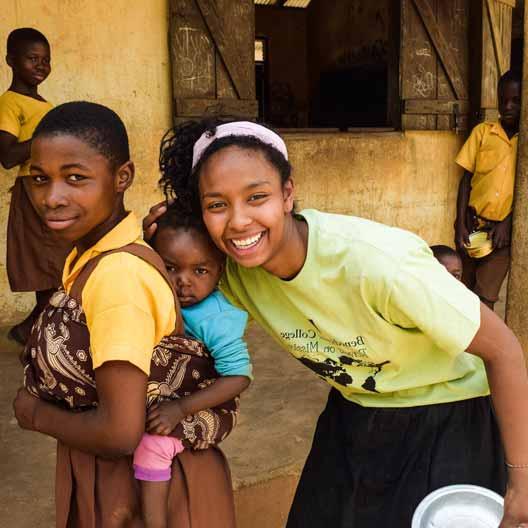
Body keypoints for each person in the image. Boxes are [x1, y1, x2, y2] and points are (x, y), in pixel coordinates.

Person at [144, 118, 528, 527]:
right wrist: (155, 242)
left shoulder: (377, 264)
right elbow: (168, 269)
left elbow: (503, 349)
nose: (238, 221)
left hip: (449, 415)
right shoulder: (235, 269)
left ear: (287, 192)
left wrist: (521, 480)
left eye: (257, 196)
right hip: (354, 412)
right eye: (217, 204)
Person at [13, 102, 236, 528]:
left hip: (142, 491)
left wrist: (34, 413)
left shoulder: (118, 277)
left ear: (122, 178)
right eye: (40, 179)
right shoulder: (93, 254)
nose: (52, 197)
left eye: (75, 178)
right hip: (119, 479)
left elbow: (120, 431)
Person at [135, 205, 251, 528]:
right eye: (171, 267)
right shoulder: (155, 292)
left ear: (220, 269)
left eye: (200, 271)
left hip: (212, 405)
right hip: (176, 394)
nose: (183, 282)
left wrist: (181, 409)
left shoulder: (216, 318)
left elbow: (239, 376)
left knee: (153, 445)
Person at [0, 27, 71, 345]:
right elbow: (7, 155)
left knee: (59, 260)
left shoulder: (42, 102)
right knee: (48, 263)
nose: (41, 66)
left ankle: (32, 328)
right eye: (32, 59)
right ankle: (36, 329)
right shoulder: (10, 103)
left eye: (46, 60)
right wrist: (46, 137)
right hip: (34, 190)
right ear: (10, 61)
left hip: (50, 188)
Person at [454, 69, 521, 310]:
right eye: (503, 100)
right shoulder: (483, 133)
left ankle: (482, 347)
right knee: (463, 294)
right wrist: (459, 223)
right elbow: (465, 180)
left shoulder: (524, 143)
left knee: (485, 300)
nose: (508, 106)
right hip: (473, 225)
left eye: (515, 100)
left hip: (502, 236)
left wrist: (508, 223)